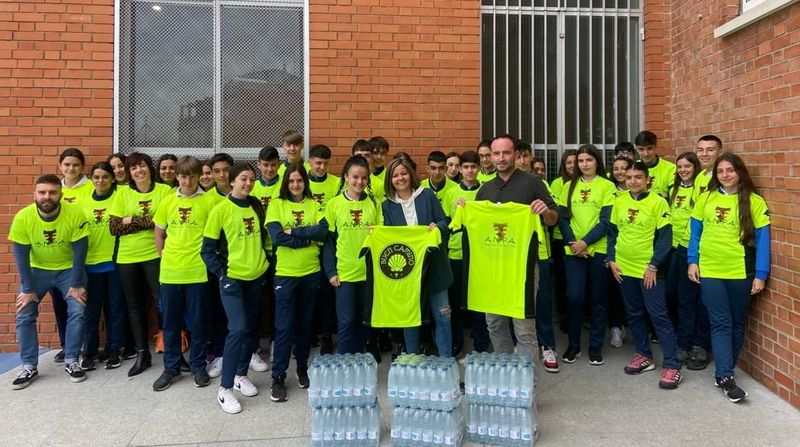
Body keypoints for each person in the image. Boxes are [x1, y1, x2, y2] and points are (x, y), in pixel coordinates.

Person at [688, 153, 770, 403]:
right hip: (711, 270)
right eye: (720, 171)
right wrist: (692, 260)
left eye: (730, 170)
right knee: (721, 323)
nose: (725, 175)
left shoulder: (754, 201)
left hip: (741, 271)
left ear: (740, 172)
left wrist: (761, 274)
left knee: (736, 323)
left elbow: (764, 241)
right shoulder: (705, 197)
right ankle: (725, 376)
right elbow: (694, 233)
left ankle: (725, 370)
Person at [475, 134, 559, 368]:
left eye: (506, 153)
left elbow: (553, 219)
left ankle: (525, 382)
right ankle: (506, 373)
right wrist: (465, 209)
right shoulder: (485, 189)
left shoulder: (532, 183)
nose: (501, 158)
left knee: (524, 328)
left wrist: (545, 211)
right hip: (492, 270)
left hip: (522, 268)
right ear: (490, 157)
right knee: (494, 323)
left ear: (515, 155)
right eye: (496, 153)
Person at [201, 163, 270, 414]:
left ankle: (241, 374)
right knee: (237, 328)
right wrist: (222, 275)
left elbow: (264, 239)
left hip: (256, 277)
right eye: (243, 179)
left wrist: (266, 265)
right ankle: (225, 388)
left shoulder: (256, 205)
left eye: (252, 179)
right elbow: (207, 250)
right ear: (232, 181)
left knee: (250, 329)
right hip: (232, 279)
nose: (248, 183)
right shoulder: (220, 210)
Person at [9, 174, 89, 388]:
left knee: (78, 309)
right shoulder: (23, 217)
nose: (47, 196)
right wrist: (27, 289)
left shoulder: (74, 213)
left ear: (61, 195)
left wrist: (77, 284)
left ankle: (72, 360)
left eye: (52, 192)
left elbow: (80, 252)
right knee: (24, 312)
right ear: (34, 194)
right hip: (38, 270)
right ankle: (28, 365)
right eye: (42, 192)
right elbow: (21, 256)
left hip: (68, 269)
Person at [607, 161, 681, 389]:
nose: (632, 181)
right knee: (634, 314)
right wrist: (611, 260)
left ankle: (672, 365)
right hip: (624, 269)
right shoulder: (619, 202)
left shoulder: (658, 202)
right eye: (629, 177)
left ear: (647, 179)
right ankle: (643, 355)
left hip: (648, 271)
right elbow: (612, 233)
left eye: (638, 177)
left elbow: (665, 238)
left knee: (658, 315)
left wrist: (653, 265)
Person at [266, 163, 329, 402]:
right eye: (291, 181)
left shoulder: (315, 205)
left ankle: (301, 368)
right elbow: (277, 237)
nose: (295, 185)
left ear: (305, 182)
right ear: (286, 183)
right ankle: (278, 378)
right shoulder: (276, 205)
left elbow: (322, 232)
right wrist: (306, 239)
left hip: (311, 273)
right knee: (284, 329)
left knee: (304, 327)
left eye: (299, 181)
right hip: (286, 274)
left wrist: (296, 232)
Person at [151, 156, 214, 391]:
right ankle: (172, 368)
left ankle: (198, 366)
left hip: (197, 272)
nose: (188, 181)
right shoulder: (167, 202)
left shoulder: (209, 202)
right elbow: (159, 234)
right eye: (184, 176)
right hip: (170, 272)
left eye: (193, 176)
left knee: (198, 324)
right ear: (177, 176)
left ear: (199, 176)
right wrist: (163, 256)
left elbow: (214, 237)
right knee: (170, 324)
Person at [382, 157, 453, 358]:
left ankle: (446, 362)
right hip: (408, 273)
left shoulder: (427, 195)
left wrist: (436, 227)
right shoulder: (387, 205)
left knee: (443, 317)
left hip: (435, 267)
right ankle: (413, 361)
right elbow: (388, 238)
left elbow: (444, 222)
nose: (400, 178)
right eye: (395, 175)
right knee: (410, 318)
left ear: (410, 175)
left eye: (403, 173)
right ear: (390, 180)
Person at [109, 152, 171, 377]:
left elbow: (165, 222)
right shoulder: (122, 193)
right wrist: (147, 221)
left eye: (141, 166)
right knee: (134, 306)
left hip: (156, 255)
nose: (138, 171)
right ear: (129, 172)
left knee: (163, 302)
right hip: (127, 258)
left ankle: (171, 350)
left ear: (149, 167)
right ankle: (142, 354)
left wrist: (131, 220)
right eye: (133, 168)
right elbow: (114, 227)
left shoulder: (164, 191)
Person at [557, 144, 615, 366]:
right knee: (575, 298)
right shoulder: (568, 187)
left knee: (598, 299)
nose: (584, 165)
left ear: (596, 161)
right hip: (573, 251)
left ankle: (595, 347)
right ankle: (573, 346)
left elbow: (607, 221)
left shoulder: (607, 186)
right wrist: (574, 244)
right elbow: (562, 218)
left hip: (598, 250)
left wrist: (585, 242)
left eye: (588, 160)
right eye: (580, 161)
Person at [323, 156, 383, 356]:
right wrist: (331, 271)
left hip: (368, 272)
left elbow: (380, 238)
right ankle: (348, 359)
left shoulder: (374, 203)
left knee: (367, 317)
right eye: (355, 177)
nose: (360, 182)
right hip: (345, 273)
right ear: (346, 177)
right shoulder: (334, 204)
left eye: (364, 178)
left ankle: (368, 352)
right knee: (347, 320)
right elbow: (329, 241)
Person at [79, 162, 127, 370]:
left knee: (115, 309)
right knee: (91, 311)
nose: (101, 181)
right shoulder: (82, 202)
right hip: (90, 264)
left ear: (113, 178)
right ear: (91, 179)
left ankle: (114, 349)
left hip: (114, 262)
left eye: (105, 177)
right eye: (96, 177)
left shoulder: (121, 197)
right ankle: (88, 352)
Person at [443, 151, 490, 356]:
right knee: (456, 302)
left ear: (479, 168)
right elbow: (445, 222)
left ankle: (481, 343)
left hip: (480, 254)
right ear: (459, 169)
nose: (470, 171)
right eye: (466, 167)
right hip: (456, 253)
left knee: (479, 301)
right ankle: (457, 342)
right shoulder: (451, 193)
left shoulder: (487, 191)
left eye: (474, 167)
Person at [666, 151, 710, 370]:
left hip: (692, 250)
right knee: (672, 295)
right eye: (680, 166)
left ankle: (692, 344)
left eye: (687, 166)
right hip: (674, 249)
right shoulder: (673, 189)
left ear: (696, 168)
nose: (683, 170)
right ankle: (681, 338)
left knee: (691, 301)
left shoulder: (700, 190)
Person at [307, 144, 340, 354]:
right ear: (309, 161)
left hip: (328, 244)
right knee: (309, 294)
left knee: (328, 294)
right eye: (318, 163)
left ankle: (327, 336)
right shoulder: (300, 179)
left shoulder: (336, 183)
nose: (321, 167)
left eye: (325, 163)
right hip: (306, 246)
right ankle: (309, 333)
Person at [607, 156, 633, 349]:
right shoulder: (610, 190)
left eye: (624, 168)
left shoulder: (639, 192)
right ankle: (616, 327)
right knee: (613, 291)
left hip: (634, 251)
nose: (620, 172)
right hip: (612, 248)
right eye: (616, 168)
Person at [550, 150, 577, 335]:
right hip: (560, 239)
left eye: (575, 162)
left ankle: (578, 317)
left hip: (582, 241)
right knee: (561, 281)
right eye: (568, 163)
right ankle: (564, 316)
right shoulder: (557, 183)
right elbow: (559, 213)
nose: (572, 166)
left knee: (576, 285)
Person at [634, 130, 676, 198]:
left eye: (649, 148)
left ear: (656, 147)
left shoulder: (671, 168)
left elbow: (674, 196)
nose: (646, 154)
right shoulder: (632, 169)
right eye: (641, 149)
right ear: (636, 149)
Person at [368, 136, 390, 200]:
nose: (379, 157)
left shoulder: (390, 176)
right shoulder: (361, 176)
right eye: (375, 153)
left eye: (383, 153)